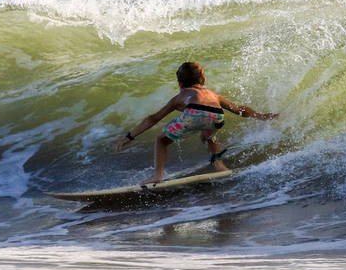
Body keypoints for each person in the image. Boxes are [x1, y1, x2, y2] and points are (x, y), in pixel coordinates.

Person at [114, 61, 278, 184]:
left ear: (180, 84)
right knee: (208, 135)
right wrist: (262, 116)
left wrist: (129, 136)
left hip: (194, 112)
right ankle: (220, 166)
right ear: (203, 79)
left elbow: (153, 118)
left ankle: (157, 175)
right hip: (217, 116)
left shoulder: (182, 95)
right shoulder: (213, 94)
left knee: (161, 140)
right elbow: (239, 109)